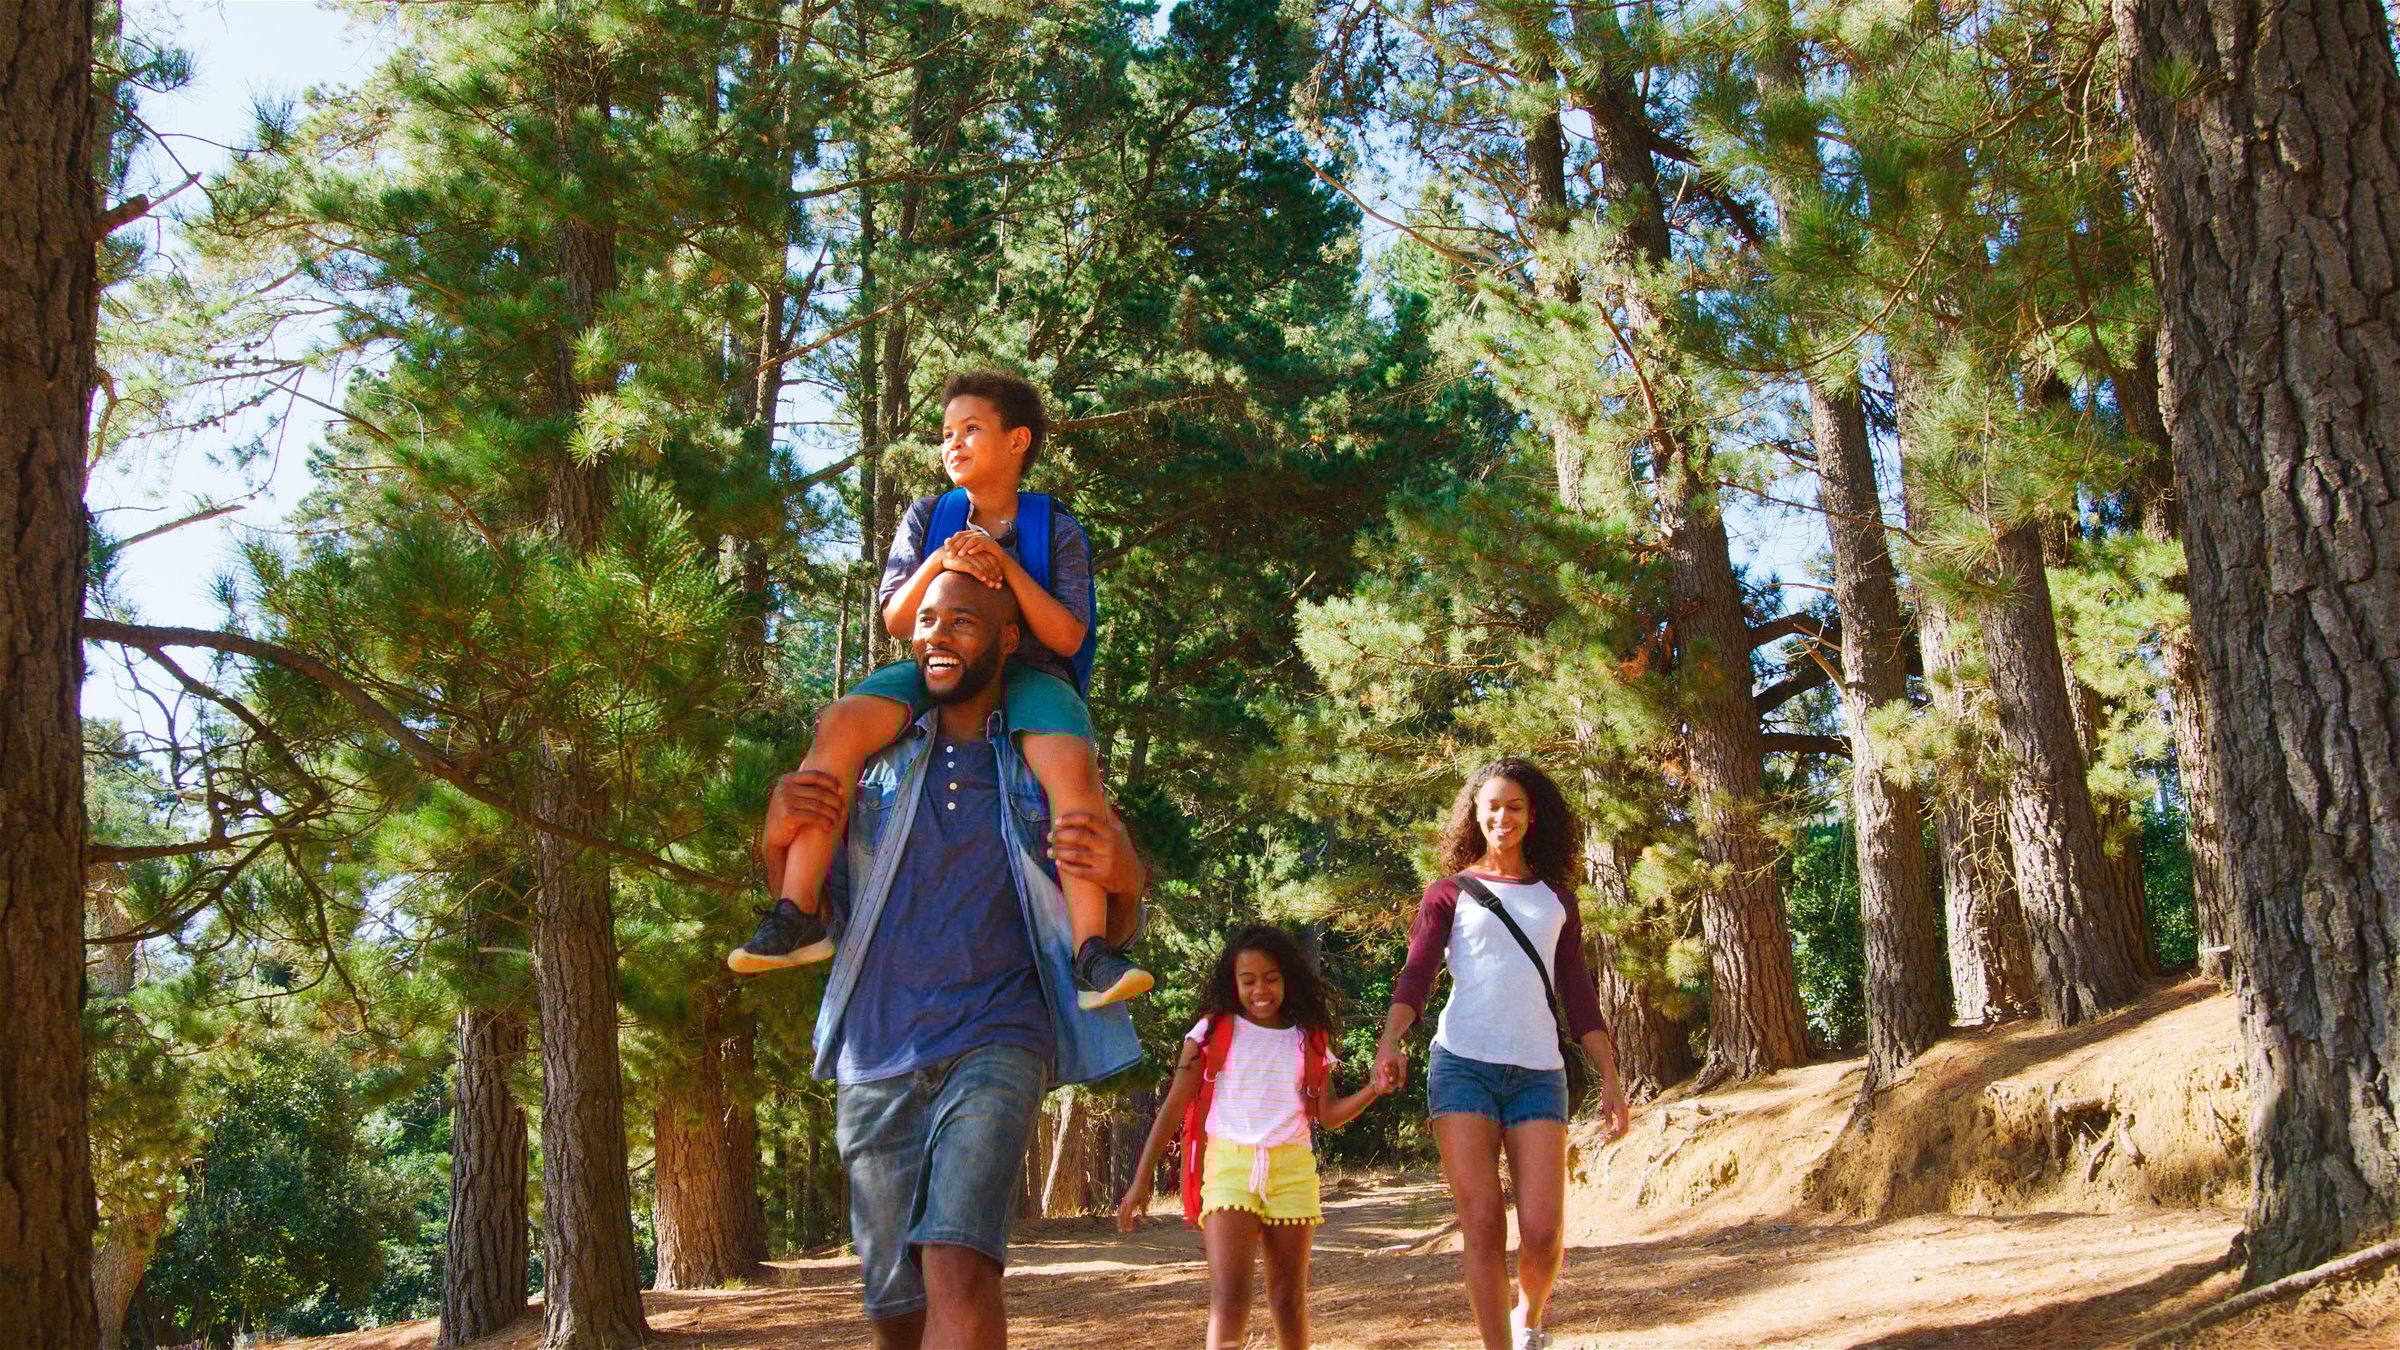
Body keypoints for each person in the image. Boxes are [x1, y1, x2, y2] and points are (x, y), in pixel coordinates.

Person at [741, 569, 1148, 1350]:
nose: (936, 635)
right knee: (895, 1303)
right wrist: (774, 839)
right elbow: (811, 913)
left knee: (959, 1259)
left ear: (1004, 641)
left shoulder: (1045, 760)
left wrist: (1125, 877)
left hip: (1001, 1032)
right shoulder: (873, 759)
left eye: (961, 623)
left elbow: (1109, 917)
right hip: (876, 1041)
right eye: (926, 621)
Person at [728, 368, 1149, 1010]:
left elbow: (1066, 636)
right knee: (840, 724)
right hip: (939, 660)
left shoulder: (1054, 529)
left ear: (1018, 441)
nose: (952, 443)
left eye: (971, 429)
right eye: (946, 433)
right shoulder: (928, 516)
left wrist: (1003, 562)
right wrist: (947, 557)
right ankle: (798, 909)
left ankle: (1091, 949)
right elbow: (898, 619)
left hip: (1031, 671)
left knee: (1070, 769)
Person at [1372, 758, 1633, 1350]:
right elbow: (1416, 975)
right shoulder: (1448, 893)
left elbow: (1579, 996)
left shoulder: (1558, 901)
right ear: (1475, 813)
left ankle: (1530, 1320)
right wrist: (1392, 1038)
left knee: (1542, 1233)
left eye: (1514, 806)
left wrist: (1611, 1077)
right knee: (1484, 1223)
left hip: (1539, 1074)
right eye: (1491, 805)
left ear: (1532, 815)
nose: (1502, 816)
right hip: (1463, 1065)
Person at [1116, 925, 1384, 1350]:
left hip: (1293, 1172)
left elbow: (1328, 1116)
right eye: (1248, 980)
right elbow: (1172, 1108)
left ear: (1287, 979)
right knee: (1230, 1298)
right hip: (1230, 1169)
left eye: (1271, 978)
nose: (1261, 989)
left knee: (1288, 1300)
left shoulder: (1308, 1040)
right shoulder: (1208, 1034)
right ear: (1233, 982)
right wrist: (1141, 1178)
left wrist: (1374, 1089)